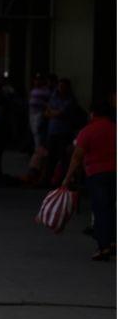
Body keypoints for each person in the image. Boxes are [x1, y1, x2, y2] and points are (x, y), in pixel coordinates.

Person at [61, 100, 116, 262]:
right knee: (111, 208)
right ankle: (112, 241)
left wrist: (67, 178)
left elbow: (77, 157)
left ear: (92, 113)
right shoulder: (115, 129)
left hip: (96, 174)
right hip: (115, 173)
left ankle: (103, 246)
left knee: (100, 210)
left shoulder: (87, 131)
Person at [27, 74, 51, 151]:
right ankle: (36, 148)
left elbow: (48, 102)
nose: (37, 82)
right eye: (36, 80)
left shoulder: (45, 90)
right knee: (34, 131)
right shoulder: (33, 90)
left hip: (39, 112)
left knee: (38, 131)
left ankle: (38, 149)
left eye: (39, 80)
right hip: (32, 113)